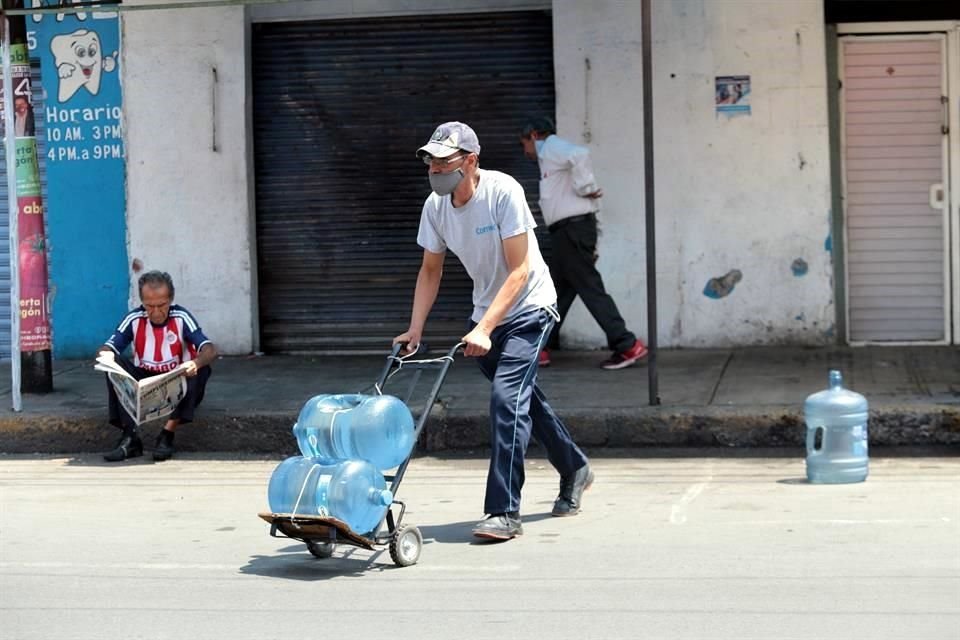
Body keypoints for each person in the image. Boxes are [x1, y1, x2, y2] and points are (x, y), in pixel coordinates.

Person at [394, 121, 594, 541]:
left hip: (528, 309)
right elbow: (431, 269)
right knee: (522, 399)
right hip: (486, 315)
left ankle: (503, 511)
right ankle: (574, 466)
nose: (435, 168)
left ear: (470, 161)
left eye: (444, 161)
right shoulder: (436, 207)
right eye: (431, 161)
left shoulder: (503, 192)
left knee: (507, 400)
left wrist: (485, 328)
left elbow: (520, 269)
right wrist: (414, 329)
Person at [519, 116, 648, 370]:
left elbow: (579, 154)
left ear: (534, 135)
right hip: (569, 232)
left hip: (572, 231)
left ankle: (626, 344)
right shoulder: (549, 156)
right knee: (557, 291)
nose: (524, 152)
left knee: (589, 287)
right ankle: (541, 346)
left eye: (523, 144)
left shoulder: (551, 147)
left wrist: (585, 186)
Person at [97, 270, 217, 462]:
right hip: (145, 378)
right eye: (149, 306)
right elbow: (107, 347)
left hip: (175, 379)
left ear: (170, 300)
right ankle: (130, 438)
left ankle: (167, 435)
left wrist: (195, 363)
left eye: (161, 305)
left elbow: (210, 349)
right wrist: (106, 355)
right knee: (112, 365)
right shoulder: (134, 319)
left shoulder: (181, 317)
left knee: (202, 369)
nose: (155, 312)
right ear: (143, 303)